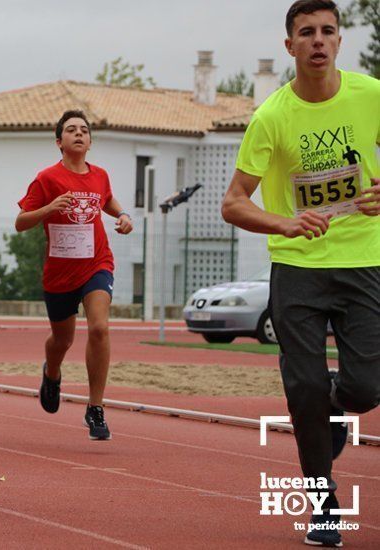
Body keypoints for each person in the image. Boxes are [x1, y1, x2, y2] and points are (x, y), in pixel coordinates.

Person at [221, 1, 380, 546]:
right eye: (306, 33)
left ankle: (338, 410)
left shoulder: (371, 96)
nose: (318, 40)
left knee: (363, 388)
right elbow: (235, 202)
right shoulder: (272, 117)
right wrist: (284, 223)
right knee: (304, 386)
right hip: (299, 268)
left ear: (340, 41)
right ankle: (323, 503)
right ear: (290, 46)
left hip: (364, 260)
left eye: (328, 31)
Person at [15, 110, 133, 441]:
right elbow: (21, 221)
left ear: (90, 141)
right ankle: (51, 373)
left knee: (99, 327)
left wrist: (122, 215)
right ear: (59, 141)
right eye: (71, 130)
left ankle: (95, 407)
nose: (78, 134)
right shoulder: (47, 178)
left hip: (96, 263)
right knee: (62, 340)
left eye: (84, 130)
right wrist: (48, 209)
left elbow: (106, 199)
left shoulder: (100, 176)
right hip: (60, 272)